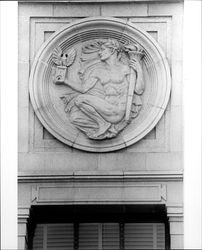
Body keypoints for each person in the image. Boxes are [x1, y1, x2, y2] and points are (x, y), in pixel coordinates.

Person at [56, 39, 144, 139]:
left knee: (80, 99)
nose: (99, 52)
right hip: (106, 110)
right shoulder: (98, 71)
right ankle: (103, 123)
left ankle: (104, 124)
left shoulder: (125, 69)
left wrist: (139, 71)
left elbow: (139, 90)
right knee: (78, 102)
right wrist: (65, 81)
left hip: (119, 111)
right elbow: (84, 89)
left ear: (112, 50)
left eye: (102, 49)